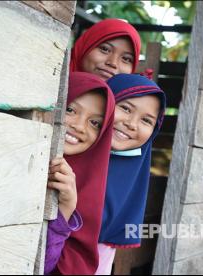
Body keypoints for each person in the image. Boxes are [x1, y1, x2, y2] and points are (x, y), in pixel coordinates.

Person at [45, 72, 115, 275]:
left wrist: (65, 210)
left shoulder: (85, 189)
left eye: (95, 123)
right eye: (70, 110)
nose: (78, 126)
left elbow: (44, 267)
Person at [97, 74, 166, 275]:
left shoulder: (130, 181)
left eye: (146, 120)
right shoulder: (67, 152)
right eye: (126, 108)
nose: (132, 124)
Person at [70, 19, 141, 81]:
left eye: (126, 59)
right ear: (85, 47)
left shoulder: (133, 96)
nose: (113, 63)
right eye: (105, 49)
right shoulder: (59, 75)